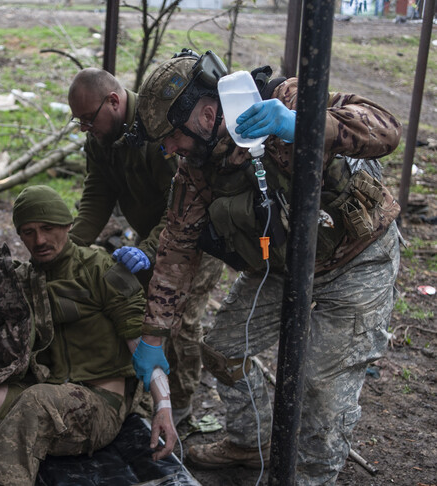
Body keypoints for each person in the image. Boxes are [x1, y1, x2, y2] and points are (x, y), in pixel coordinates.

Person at [129, 49, 402, 484]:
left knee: (318, 387)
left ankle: (311, 476)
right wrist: (153, 336)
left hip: (356, 260)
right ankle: (249, 442)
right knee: (221, 350)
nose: (169, 149)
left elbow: (386, 128)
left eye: (171, 137)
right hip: (285, 269)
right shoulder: (196, 171)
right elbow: (176, 251)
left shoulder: (284, 101)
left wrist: (305, 125)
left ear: (204, 113)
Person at [0, 185, 177, 486]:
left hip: (99, 403)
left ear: (68, 225)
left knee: (37, 402)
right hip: (42, 388)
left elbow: (143, 347)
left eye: (48, 228)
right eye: (29, 232)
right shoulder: (17, 282)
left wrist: (163, 408)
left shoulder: (102, 270)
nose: (40, 240)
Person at [66, 67, 223, 426]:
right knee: (140, 312)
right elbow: (98, 192)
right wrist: (71, 245)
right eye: (80, 123)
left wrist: (149, 251)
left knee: (180, 322)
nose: (86, 128)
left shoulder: (161, 132)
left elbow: (183, 211)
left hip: (194, 240)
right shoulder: (101, 138)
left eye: (89, 119)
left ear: (115, 101)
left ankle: (179, 404)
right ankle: (142, 390)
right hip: (149, 239)